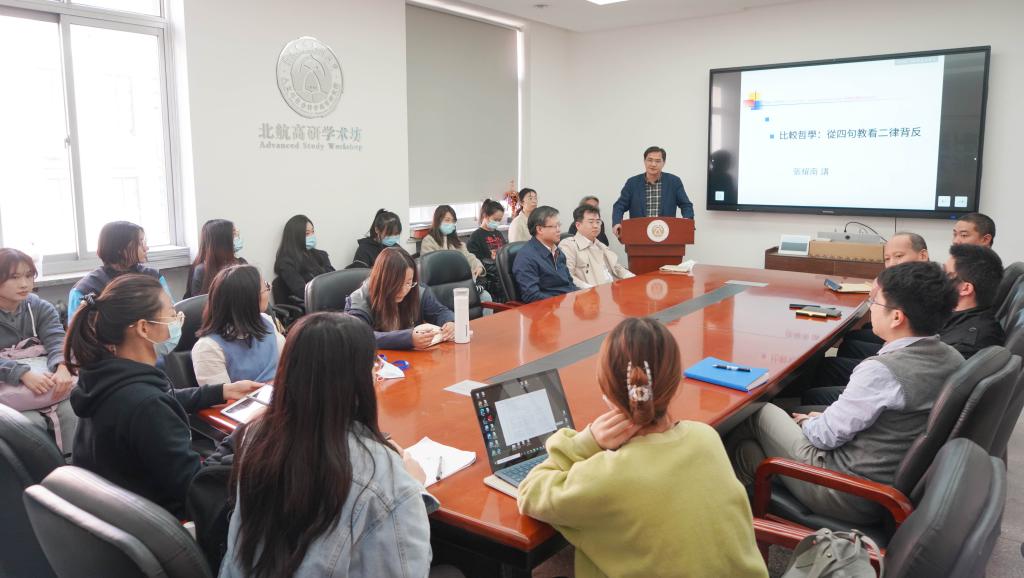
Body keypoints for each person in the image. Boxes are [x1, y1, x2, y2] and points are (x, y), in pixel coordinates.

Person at [518, 318, 767, 578]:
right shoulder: (706, 438)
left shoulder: (606, 477)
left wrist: (587, 442)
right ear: (676, 384)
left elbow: (530, 491)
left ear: (606, 393)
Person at [731, 261, 963, 524]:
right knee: (747, 451)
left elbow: (824, 437)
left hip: (847, 490)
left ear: (897, 317)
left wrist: (809, 422)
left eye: (875, 302)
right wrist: (823, 419)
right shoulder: (952, 357)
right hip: (885, 483)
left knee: (758, 412)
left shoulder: (882, 371)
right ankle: (741, 508)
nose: (871, 307)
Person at [219, 313, 447, 578]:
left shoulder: (256, 437)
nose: (377, 373)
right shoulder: (384, 475)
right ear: (356, 381)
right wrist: (414, 486)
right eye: (374, 365)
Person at [65, 274, 262, 517]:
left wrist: (220, 391)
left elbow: (162, 398)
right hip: (169, 521)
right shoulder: (146, 405)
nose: (178, 320)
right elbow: (197, 489)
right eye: (170, 314)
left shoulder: (104, 380)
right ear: (143, 328)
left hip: (120, 515)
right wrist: (240, 436)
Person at [802, 242, 1004, 405]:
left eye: (947, 275)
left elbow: (923, 382)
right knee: (843, 353)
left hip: (904, 391)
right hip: (906, 377)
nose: (941, 280)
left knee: (817, 391)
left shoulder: (969, 341)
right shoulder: (964, 317)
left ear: (966, 289)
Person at [0, 249, 77, 455]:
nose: (24, 284)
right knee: (30, 423)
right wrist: (21, 373)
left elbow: (57, 339)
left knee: (72, 411)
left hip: (46, 383)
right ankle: (38, 473)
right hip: (7, 391)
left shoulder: (40, 307)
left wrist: (63, 367)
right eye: (14, 277)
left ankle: (73, 468)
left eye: (28, 276)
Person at [344, 248, 455, 350]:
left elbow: (440, 312)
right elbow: (359, 336)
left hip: (413, 358)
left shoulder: (417, 290)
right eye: (397, 284)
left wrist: (449, 323)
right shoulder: (359, 300)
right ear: (383, 280)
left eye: (408, 282)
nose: (403, 291)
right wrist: (408, 339)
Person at [192, 265, 285, 386]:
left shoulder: (266, 321)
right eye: (266, 287)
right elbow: (221, 396)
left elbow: (287, 364)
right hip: (256, 398)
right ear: (248, 300)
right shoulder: (207, 348)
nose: (270, 288)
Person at [68, 221, 173, 316]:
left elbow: (172, 318)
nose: (146, 248)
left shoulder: (154, 277)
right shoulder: (84, 290)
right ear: (120, 248)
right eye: (140, 243)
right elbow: (77, 329)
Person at [611, 146, 694, 239]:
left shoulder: (674, 182)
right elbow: (620, 205)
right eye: (650, 160)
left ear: (663, 163)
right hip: (638, 236)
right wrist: (617, 223)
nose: (653, 164)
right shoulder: (632, 183)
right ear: (644, 161)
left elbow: (686, 205)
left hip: (666, 236)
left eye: (658, 161)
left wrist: (687, 222)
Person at [559, 204, 634, 289]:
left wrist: (633, 278)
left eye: (598, 222)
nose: (596, 226)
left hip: (613, 290)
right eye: (591, 222)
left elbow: (617, 268)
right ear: (578, 225)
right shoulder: (568, 245)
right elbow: (567, 276)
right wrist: (590, 289)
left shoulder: (601, 245)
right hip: (590, 294)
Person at [511, 206, 576, 303]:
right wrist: (561, 302)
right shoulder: (526, 257)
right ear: (540, 229)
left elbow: (569, 284)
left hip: (567, 301)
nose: (559, 230)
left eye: (559, 225)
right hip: (549, 307)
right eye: (555, 226)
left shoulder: (558, 252)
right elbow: (532, 296)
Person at [273, 214, 334, 305]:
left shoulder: (322, 255)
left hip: (330, 300)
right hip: (312, 306)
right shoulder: (286, 263)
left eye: (313, 232)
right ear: (295, 236)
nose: (312, 236)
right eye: (307, 233)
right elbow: (302, 291)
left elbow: (334, 279)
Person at [185, 219, 247, 299]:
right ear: (223, 241)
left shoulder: (241, 263)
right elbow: (197, 304)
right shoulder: (201, 271)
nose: (238, 236)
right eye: (234, 233)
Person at [467, 199, 509, 302]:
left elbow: (505, 252)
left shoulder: (498, 233)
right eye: (495, 219)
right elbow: (475, 260)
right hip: (490, 274)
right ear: (485, 216)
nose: (497, 222)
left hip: (502, 268)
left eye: (499, 220)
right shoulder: (476, 236)